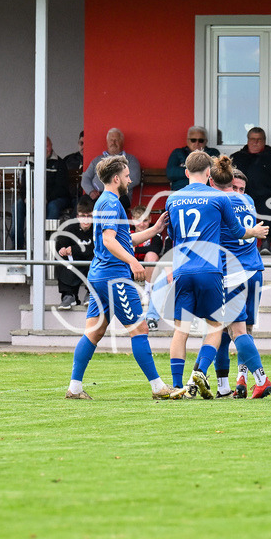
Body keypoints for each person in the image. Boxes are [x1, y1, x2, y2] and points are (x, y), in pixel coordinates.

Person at [64, 155, 175, 401]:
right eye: (126, 176)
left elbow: (123, 239)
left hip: (99, 275)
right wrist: (134, 261)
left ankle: (74, 388)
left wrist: (154, 230)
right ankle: (158, 388)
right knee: (139, 329)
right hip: (114, 277)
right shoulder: (112, 204)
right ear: (116, 179)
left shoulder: (105, 202)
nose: (130, 179)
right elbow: (108, 240)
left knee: (94, 332)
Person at [165, 150, 268, 398]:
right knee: (219, 327)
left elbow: (172, 235)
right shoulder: (223, 199)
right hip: (213, 269)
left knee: (181, 330)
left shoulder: (172, 199)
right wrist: (253, 232)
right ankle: (201, 373)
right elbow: (235, 231)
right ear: (208, 173)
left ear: (186, 172)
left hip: (182, 268)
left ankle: (178, 384)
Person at [211, 161, 271, 399]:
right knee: (240, 330)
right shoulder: (247, 202)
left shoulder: (219, 202)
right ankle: (238, 381)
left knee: (229, 330)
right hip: (254, 270)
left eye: (242, 188)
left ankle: (259, 379)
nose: (238, 192)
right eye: (235, 186)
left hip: (232, 273)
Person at [231, 127, 271, 255]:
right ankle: (237, 243)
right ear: (247, 140)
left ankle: (265, 242)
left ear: (265, 141)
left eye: (259, 139)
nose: (255, 142)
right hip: (241, 195)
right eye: (252, 139)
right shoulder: (236, 158)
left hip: (265, 195)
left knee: (268, 205)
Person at [82, 128, 142, 208]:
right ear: (107, 142)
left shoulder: (130, 160)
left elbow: (134, 178)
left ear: (122, 142)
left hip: (119, 196)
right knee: (81, 206)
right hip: (97, 195)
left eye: (116, 140)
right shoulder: (97, 160)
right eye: (111, 140)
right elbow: (86, 178)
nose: (113, 143)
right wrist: (91, 191)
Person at [55, 196, 96, 309]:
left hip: (90, 262)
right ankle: (68, 295)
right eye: (83, 216)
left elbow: (95, 248)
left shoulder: (97, 230)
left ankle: (91, 294)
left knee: (97, 258)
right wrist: (63, 250)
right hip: (74, 262)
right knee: (60, 258)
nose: (86, 220)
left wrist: (74, 249)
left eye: (89, 216)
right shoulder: (70, 228)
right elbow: (61, 244)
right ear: (78, 217)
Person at [166, 126, 219, 191]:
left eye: (201, 140)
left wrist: (186, 169)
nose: (197, 143)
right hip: (181, 193)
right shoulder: (178, 153)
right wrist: (201, 170)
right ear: (187, 141)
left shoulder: (213, 153)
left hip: (206, 193)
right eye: (193, 140)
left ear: (206, 141)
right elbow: (171, 173)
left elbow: (215, 173)